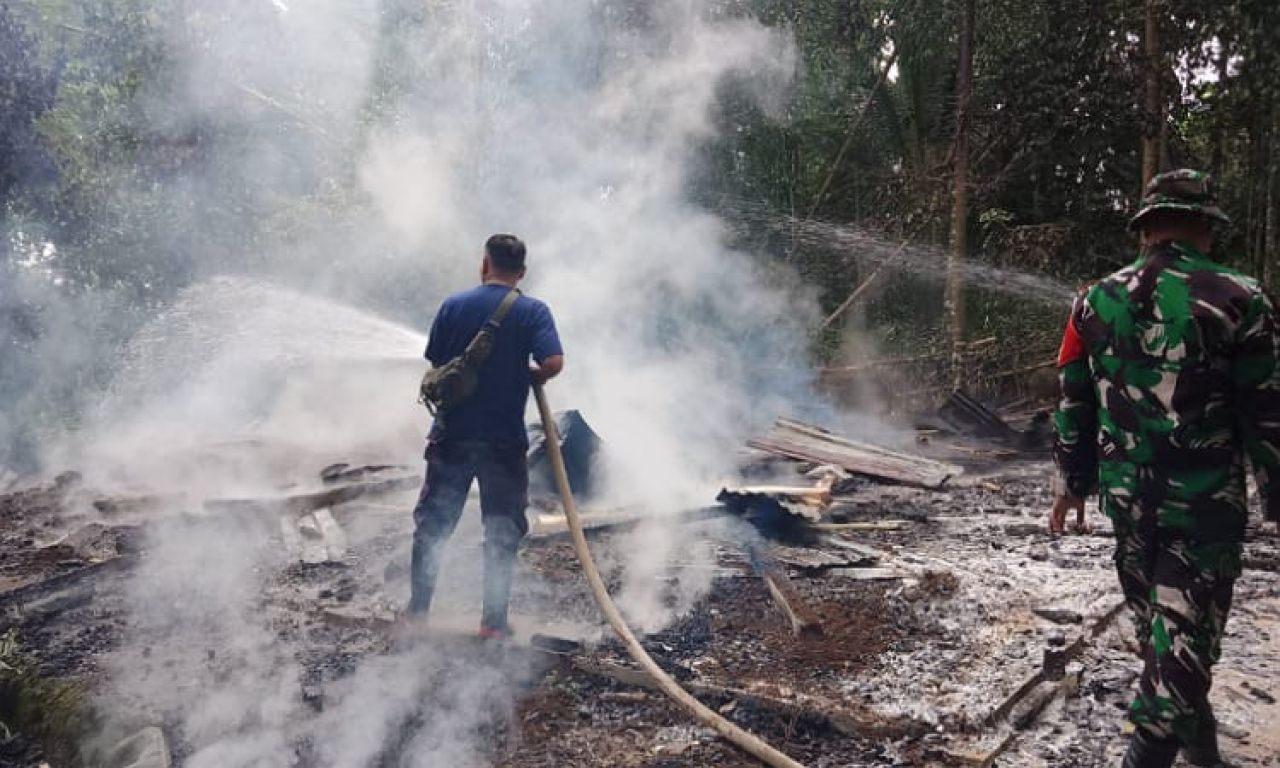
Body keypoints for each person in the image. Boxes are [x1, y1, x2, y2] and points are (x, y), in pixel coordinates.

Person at [1050, 169, 1280, 768]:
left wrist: (1072, 484)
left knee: (1168, 642)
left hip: (1128, 507)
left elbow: (1073, 399)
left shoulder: (1093, 300)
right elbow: (1267, 413)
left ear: (1146, 228)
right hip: (1203, 511)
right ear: (1205, 226)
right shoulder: (1241, 299)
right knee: (1179, 651)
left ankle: (1203, 756)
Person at [408, 234, 564, 639]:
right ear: (522, 272)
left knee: (433, 526)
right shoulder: (532, 311)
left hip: (451, 438)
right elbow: (553, 361)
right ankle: (492, 624)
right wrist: (531, 374)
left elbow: (437, 361)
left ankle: (417, 614)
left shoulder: (453, 305)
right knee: (501, 531)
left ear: (484, 264)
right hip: (503, 443)